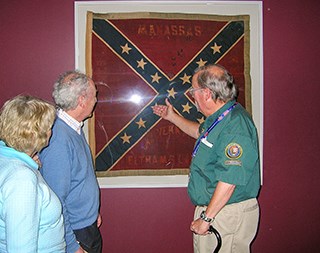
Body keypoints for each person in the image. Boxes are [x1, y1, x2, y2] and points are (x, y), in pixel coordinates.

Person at [153, 64, 261, 253]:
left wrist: (207, 218)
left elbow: (230, 179)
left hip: (226, 213)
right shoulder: (220, 118)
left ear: (206, 93)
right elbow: (199, 132)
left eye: (193, 90)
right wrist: (172, 117)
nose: (192, 95)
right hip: (218, 210)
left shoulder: (236, 124)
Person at [39, 70, 102, 253]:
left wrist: (91, 212)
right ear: (82, 100)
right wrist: (72, 244)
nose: (96, 100)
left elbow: (79, 178)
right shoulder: (58, 138)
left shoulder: (73, 127)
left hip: (85, 224)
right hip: (75, 233)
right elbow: (55, 199)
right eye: (94, 95)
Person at [0, 95, 66, 252]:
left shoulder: (7, 158)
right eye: (49, 127)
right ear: (37, 134)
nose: (51, 131)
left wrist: (29, 162)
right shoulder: (22, 179)